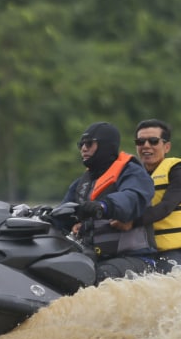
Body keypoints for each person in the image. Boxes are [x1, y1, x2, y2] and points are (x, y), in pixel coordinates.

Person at [58, 121, 157, 283]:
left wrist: (104, 205)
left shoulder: (133, 173)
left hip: (136, 260)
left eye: (89, 144)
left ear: (105, 146)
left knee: (94, 278)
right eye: (81, 144)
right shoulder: (81, 184)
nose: (83, 148)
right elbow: (62, 212)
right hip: (93, 257)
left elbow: (132, 198)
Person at [109, 118, 181, 273]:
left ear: (166, 147)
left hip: (173, 249)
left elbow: (166, 206)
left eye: (153, 141)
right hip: (137, 249)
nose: (146, 146)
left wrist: (133, 222)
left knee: (165, 281)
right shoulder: (128, 175)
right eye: (140, 141)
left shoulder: (177, 171)